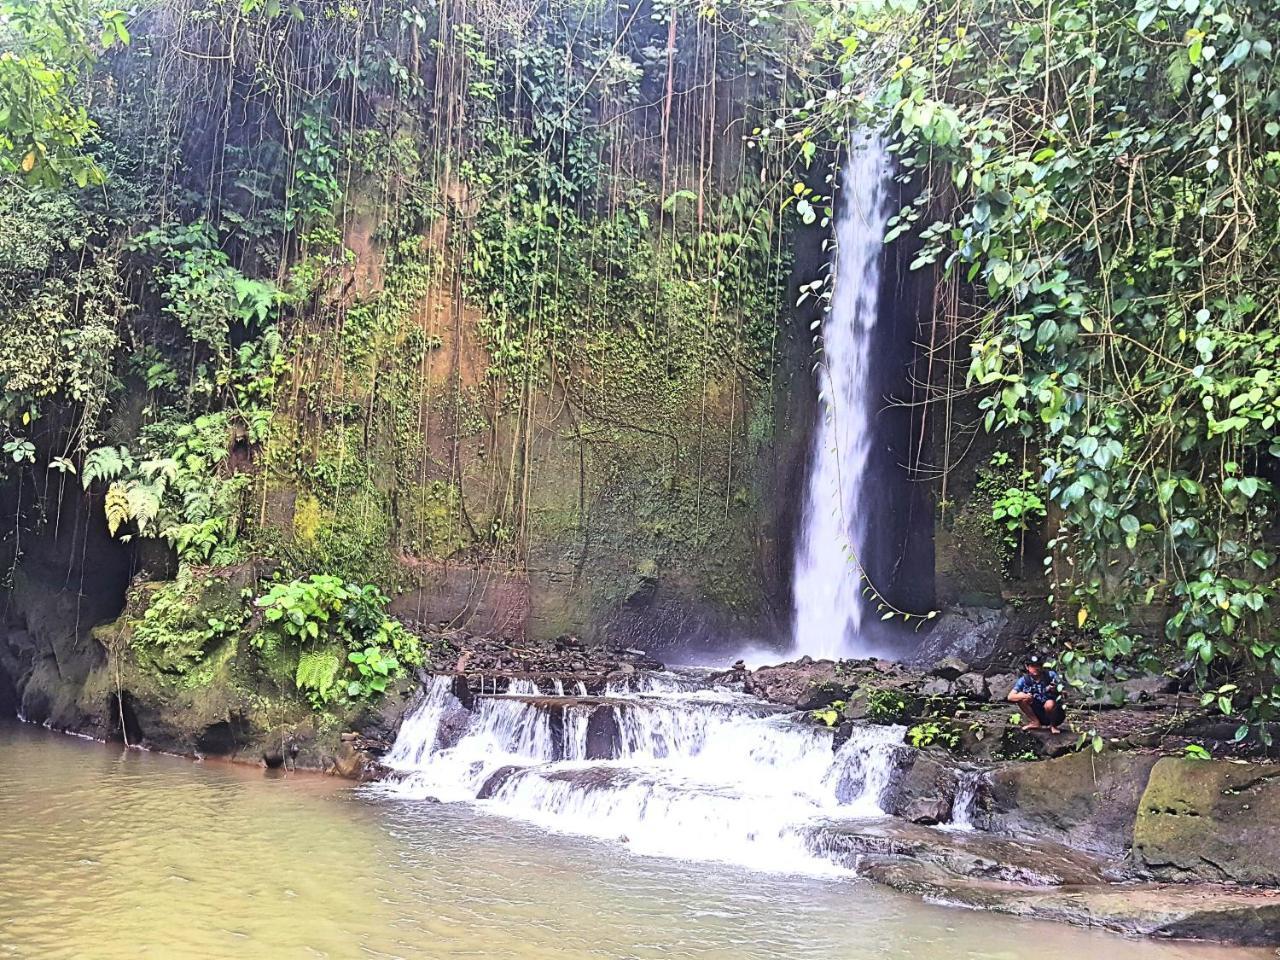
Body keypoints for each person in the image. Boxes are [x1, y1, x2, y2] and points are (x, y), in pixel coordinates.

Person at [1008, 653, 1066, 734]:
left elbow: (1064, 693)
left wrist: (1056, 690)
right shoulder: (1024, 680)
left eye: (1038, 665)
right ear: (1027, 667)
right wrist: (1024, 695)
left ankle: (1053, 725)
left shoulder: (1050, 675)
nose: (1036, 668)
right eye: (1032, 666)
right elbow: (1010, 697)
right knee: (1021, 698)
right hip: (1038, 711)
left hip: (1055, 713)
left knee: (1049, 704)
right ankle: (1035, 722)